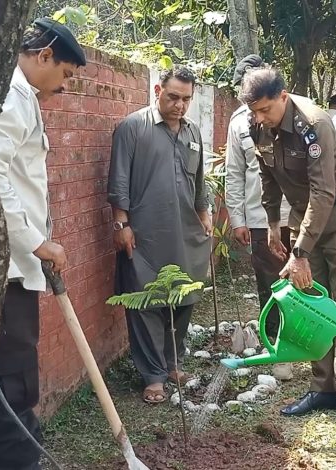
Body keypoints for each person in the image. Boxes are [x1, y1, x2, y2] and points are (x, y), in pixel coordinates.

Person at [0, 18, 85, 469]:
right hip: (6, 272)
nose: (64, 85)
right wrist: (37, 243)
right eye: (65, 73)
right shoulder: (13, 96)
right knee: (10, 385)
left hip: (4, 268)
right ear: (44, 55)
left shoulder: (19, 95)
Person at [240, 67, 336, 427]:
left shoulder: (314, 123)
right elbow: (267, 174)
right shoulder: (257, 124)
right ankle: (322, 387)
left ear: (282, 96)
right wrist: (273, 222)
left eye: (265, 109)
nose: (259, 118)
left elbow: (324, 191)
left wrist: (299, 253)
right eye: (254, 111)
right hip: (304, 217)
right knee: (311, 304)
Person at [108, 66, 212, 405]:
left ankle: (172, 364)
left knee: (184, 296)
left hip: (186, 230)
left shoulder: (193, 131)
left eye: (186, 99)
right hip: (145, 234)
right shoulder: (132, 128)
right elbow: (118, 179)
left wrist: (204, 214)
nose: (180, 105)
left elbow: (199, 180)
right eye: (173, 97)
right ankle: (153, 376)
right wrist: (121, 224)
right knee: (146, 302)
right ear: (157, 91)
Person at [224, 54, 292, 377]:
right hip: (260, 217)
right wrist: (238, 219)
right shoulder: (239, 123)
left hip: (298, 214)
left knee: (305, 283)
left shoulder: (289, 112)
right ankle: (278, 349)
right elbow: (234, 173)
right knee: (270, 284)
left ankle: (308, 345)